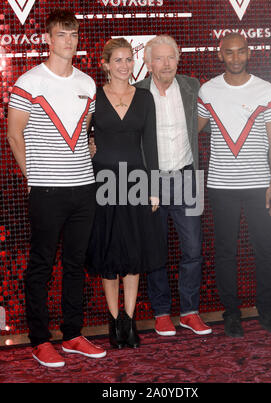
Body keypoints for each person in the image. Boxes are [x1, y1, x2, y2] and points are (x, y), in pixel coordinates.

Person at [7, 9, 106, 368]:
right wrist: (32, 179)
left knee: (76, 265)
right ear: (48, 39)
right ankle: (39, 340)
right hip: (47, 190)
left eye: (74, 35)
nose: (69, 41)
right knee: (42, 265)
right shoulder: (29, 82)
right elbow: (14, 135)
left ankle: (73, 335)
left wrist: (89, 146)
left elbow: (85, 131)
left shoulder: (87, 84)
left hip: (83, 188)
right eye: (62, 35)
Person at [197, 33, 271, 337]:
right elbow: (188, 130)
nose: (235, 58)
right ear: (219, 54)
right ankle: (231, 314)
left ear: (249, 53)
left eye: (240, 52)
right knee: (225, 252)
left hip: (260, 184)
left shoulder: (266, 89)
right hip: (221, 185)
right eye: (229, 53)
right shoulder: (207, 91)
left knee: (264, 250)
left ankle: (267, 312)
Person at [85, 38, 167, 349]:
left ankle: (129, 322)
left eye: (128, 60)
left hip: (136, 182)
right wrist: (88, 146)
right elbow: (79, 133)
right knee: (108, 255)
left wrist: (155, 187)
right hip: (101, 182)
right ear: (105, 64)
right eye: (117, 60)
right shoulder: (92, 97)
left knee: (133, 254)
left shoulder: (145, 98)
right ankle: (112, 319)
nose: (124, 65)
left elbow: (151, 145)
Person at [135, 35, 212, 337]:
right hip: (150, 181)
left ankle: (190, 312)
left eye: (172, 57)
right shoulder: (136, 92)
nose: (166, 64)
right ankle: (162, 312)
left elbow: (200, 123)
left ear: (178, 59)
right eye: (160, 58)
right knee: (155, 251)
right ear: (148, 62)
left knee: (193, 249)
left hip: (187, 177)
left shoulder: (192, 87)